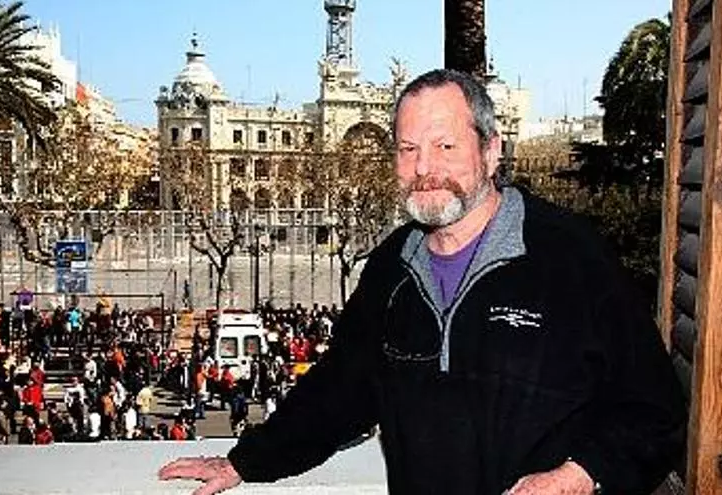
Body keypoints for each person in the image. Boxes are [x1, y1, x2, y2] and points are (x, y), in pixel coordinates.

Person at [159, 69, 687, 494]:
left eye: (445, 146)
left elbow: (655, 409)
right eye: (407, 148)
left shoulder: (570, 255)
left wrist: (579, 476)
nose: (423, 168)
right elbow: (339, 392)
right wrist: (245, 462)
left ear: (491, 151)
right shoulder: (393, 266)